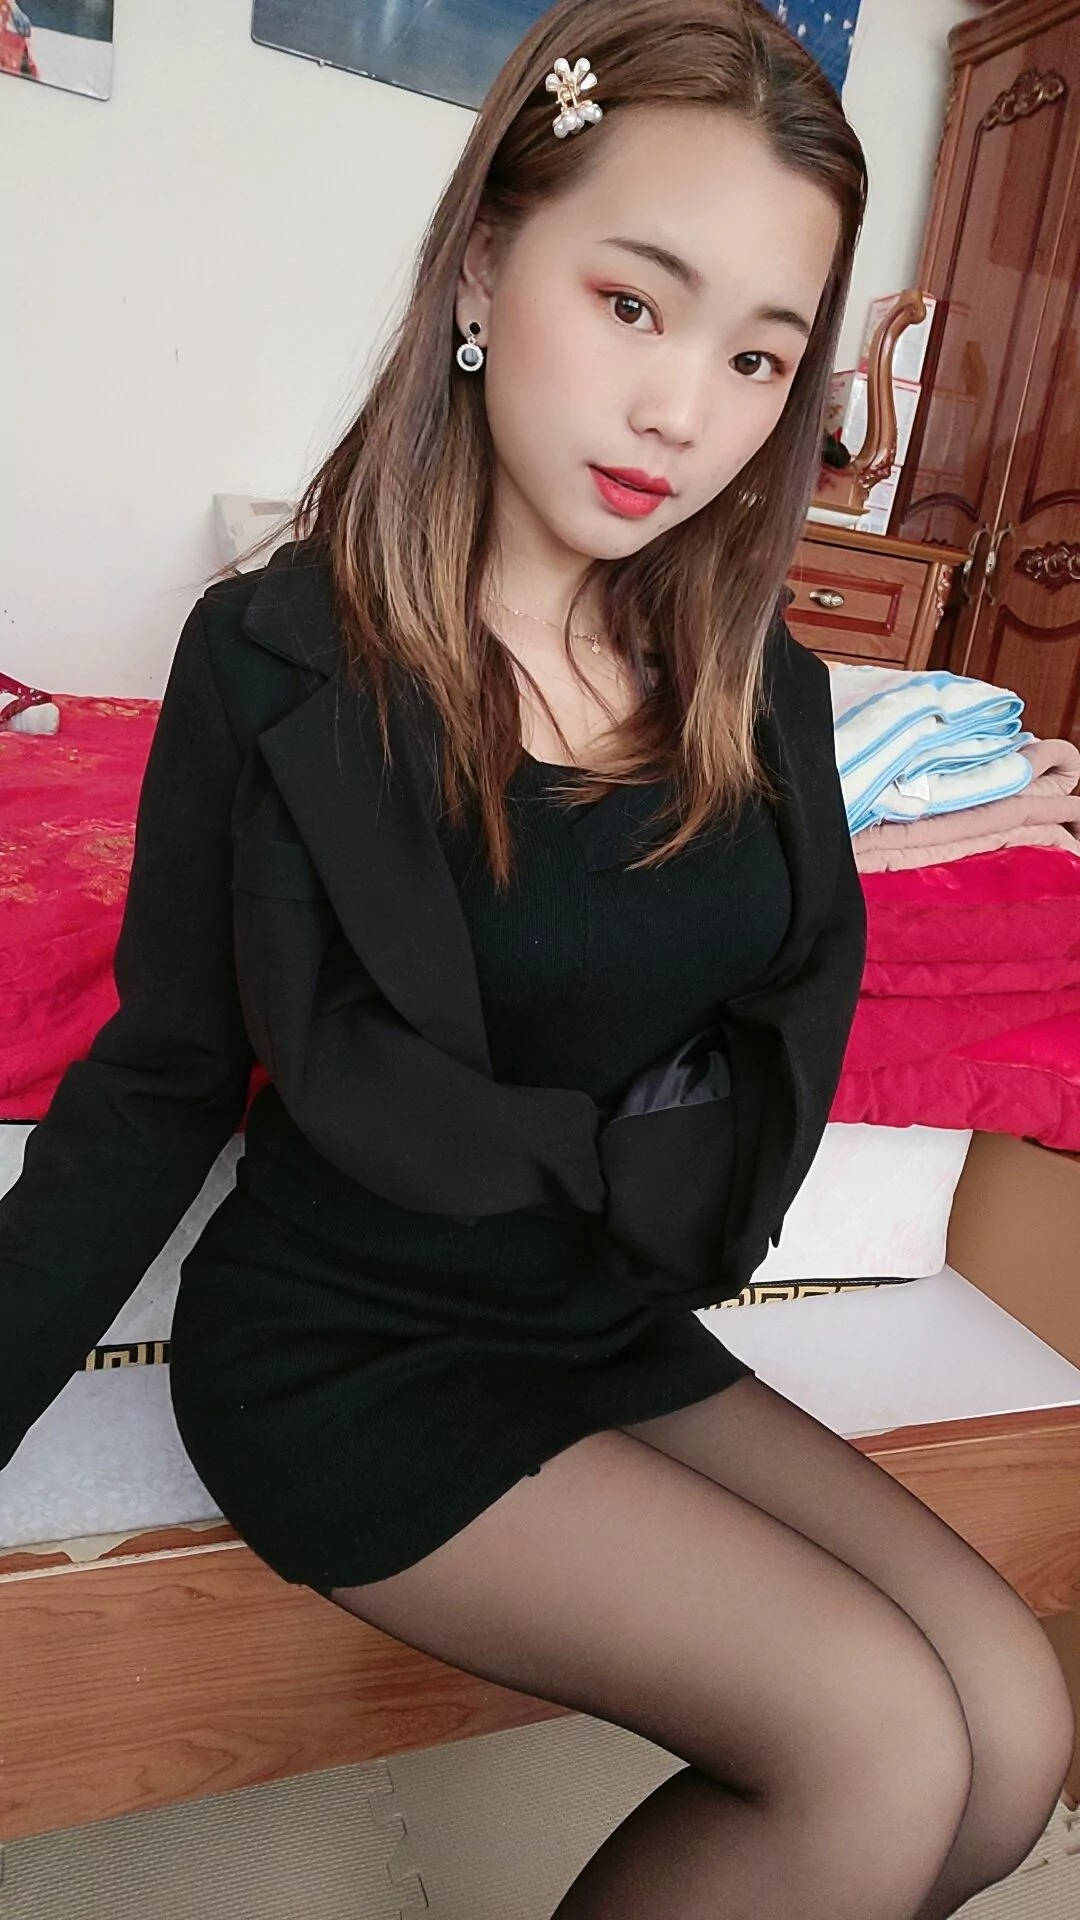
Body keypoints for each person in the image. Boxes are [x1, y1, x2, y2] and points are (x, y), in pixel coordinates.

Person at [1, 1, 1073, 1912]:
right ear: (487, 266)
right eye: (635, 303)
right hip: (353, 1352)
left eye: (758, 355)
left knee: (1011, 1730)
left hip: (602, 1322)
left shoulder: (761, 692)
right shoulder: (281, 659)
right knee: (884, 1746)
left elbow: (782, 977)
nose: (685, 411)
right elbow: (156, 1081)